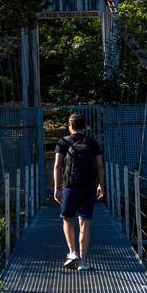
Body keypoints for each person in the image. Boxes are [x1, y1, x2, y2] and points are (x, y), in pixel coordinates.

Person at [53, 111, 105, 271]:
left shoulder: (63, 142)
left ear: (70, 126)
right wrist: (101, 185)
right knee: (85, 223)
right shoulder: (92, 142)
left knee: (67, 219)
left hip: (69, 186)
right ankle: (83, 262)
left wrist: (57, 188)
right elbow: (100, 166)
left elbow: (57, 166)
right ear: (84, 127)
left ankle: (72, 252)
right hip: (88, 186)